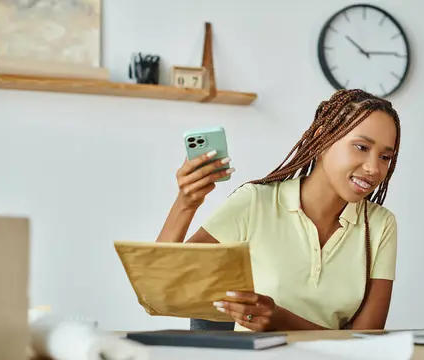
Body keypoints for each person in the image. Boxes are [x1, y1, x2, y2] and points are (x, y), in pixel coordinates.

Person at [156, 89, 401, 332]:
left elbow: (367, 340)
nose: (374, 168)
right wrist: (185, 204)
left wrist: (280, 320)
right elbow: (162, 289)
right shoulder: (255, 204)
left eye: (385, 157)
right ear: (323, 138)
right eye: (361, 147)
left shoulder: (380, 225)